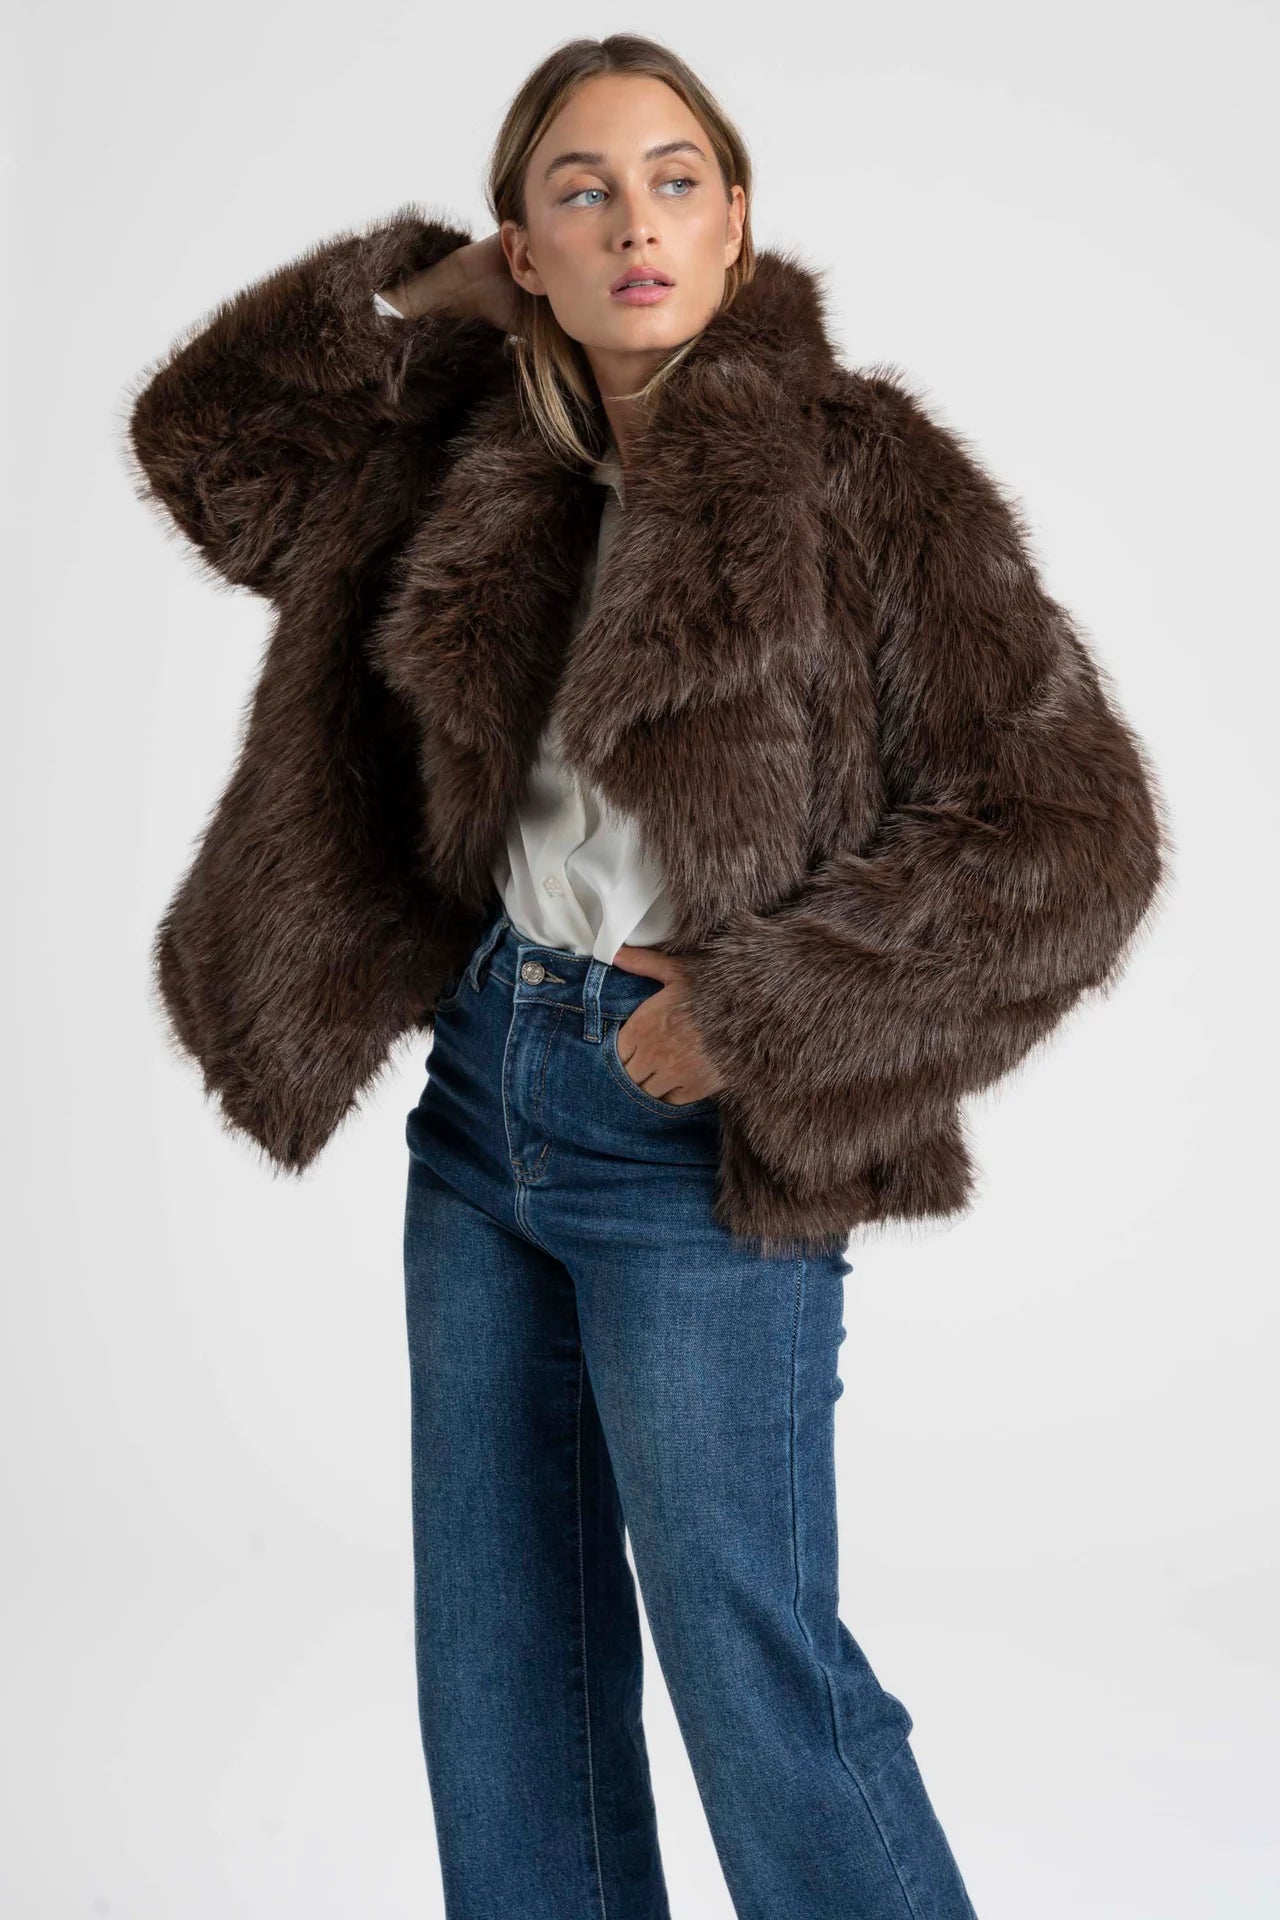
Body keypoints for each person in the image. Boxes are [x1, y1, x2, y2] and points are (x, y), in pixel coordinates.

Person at [123, 33, 1168, 1920]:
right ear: (525, 242)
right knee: (503, 1676)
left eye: (676, 180)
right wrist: (416, 293)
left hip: (691, 1134)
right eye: (583, 190)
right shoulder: (474, 446)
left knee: (758, 1676)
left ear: (738, 219)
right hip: (482, 1101)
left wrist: (764, 1014)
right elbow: (207, 456)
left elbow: (1074, 839)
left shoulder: (859, 473)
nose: (636, 223)